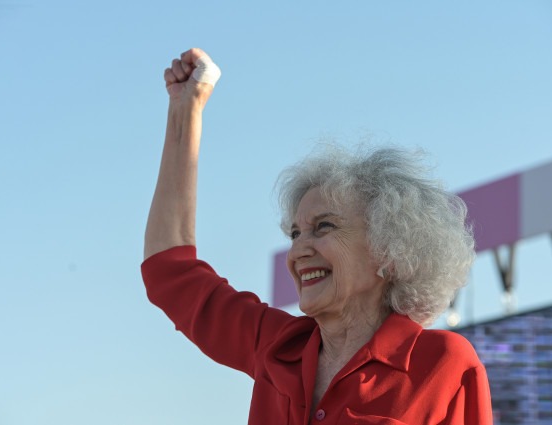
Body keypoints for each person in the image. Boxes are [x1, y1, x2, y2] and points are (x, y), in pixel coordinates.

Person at [141, 48, 493, 424]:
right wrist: (186, 108)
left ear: (390, 253)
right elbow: (170, 272)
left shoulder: (444, 363)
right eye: (295, 233)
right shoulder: (275, 346)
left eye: (324, 226)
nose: (298, 250)